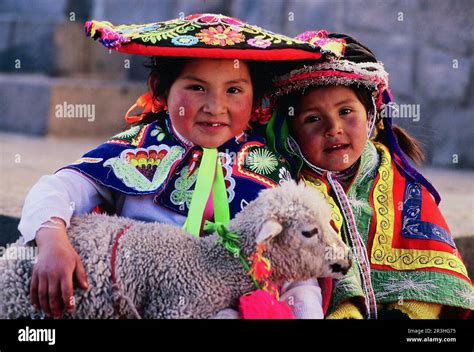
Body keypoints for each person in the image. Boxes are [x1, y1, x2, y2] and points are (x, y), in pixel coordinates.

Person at [18, 14, 326, 319]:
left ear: (257, 99)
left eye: (233, 90)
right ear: (161, 90)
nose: (215, 107)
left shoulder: (268, 168)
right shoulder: (137, 149)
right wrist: (51, 240)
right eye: (196, 88)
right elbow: (58, 187)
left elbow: (298, 272)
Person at [268, 30, 473, 319]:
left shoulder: (403, 184)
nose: (333, 128)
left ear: (371, 118)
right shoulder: (291, 187)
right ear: (291, 133)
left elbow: (435, 259)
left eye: (346, 111)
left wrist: (411, 311)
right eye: (312, 118)